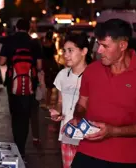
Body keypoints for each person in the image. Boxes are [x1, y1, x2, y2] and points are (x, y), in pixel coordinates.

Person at [68, 19, 136, 168]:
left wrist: (113, 131)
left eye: (105, 46)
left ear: (122, 45)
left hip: (123, 159)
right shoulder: (92, 70)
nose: (99, 51)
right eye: (99, 44)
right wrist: (77, 118)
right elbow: (81, 104)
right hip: (86, 153)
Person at [0, 18, 43, 157]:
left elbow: (2, 62)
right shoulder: (34, 42)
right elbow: (40, 66)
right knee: (25, 116)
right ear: (29, 29)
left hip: (13, 83)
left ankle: (17, 144)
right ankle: (21, 147)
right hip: (30, 85)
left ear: (16, 28)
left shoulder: (9, 41)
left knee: (15, 115)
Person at [49, 33, 92, 168]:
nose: (66, 55)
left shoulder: (94, 75)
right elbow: (61, 101)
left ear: (84, 51)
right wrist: (57, 111)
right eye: (64, 51)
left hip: (88, 136)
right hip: (67, 134)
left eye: (71, 51)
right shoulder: (62, 74)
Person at [42, 31, 59, 109]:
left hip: (44, 64)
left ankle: (46, 102)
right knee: (50, 86)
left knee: (46, 85)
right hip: (52, 64)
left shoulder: (42, 44)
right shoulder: (52, 44)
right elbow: (55, 53)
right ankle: (50, 103)